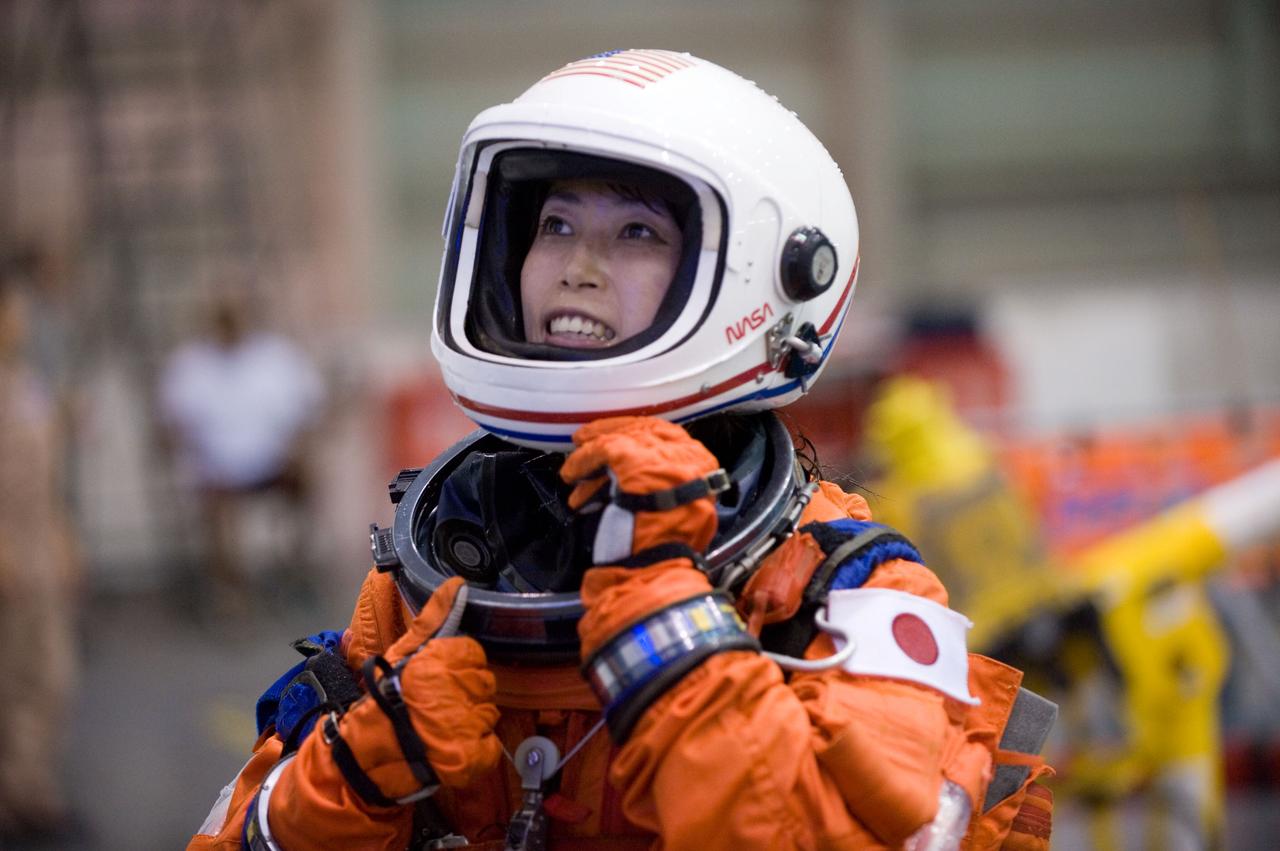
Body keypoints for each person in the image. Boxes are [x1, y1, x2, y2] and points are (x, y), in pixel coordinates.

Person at [189, 50, 1054, 850]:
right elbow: (233, 835)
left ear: (761, 282)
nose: (577, 266)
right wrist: (354, 777)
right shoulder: (441, 563)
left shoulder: (845, 589)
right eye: (556, 225)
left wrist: (666, 612)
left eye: (637, 232)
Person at [158, 290, 326, 613]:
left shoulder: (276, 356)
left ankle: (295, 567)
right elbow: (171, 428)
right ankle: (231, 588)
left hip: (273, 462)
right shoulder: (190, 365)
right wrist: (195, 456)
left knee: (307, 477)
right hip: (215, 469)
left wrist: (299, 448)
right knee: (214, 500)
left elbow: (310, 411)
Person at [0, 257, 81, 841]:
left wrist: (60, 533)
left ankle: (32, 790)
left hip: (35, 539)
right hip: (8, 544)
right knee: (13, 674)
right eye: (14, 310)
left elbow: (44, 471)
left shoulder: (22, 380)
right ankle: (16, 799)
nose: (22, 321)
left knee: (48, 672)